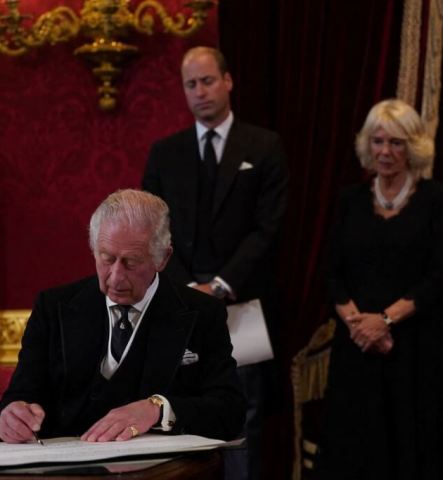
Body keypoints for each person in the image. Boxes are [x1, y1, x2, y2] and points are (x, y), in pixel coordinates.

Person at [0, 189, 245, 444]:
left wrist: (157, 410)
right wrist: (11, 417)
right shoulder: (53, 307)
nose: (115, 277)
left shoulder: (202, 312)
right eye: (106, 258)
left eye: (131, 262)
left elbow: (229, 413)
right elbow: (20, 397)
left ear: (163, 258)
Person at [142, 47, 289, 480]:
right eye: (191, 84)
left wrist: (220, 287)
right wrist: (190, 291)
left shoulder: (264, 146)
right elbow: (151, 231)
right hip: (179, 307)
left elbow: (269, 229)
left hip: (241, 308)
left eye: (208, 80)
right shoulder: (165, 153)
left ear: (228, 81)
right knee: (177, 419)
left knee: (243, 423)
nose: (200, 91)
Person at [314, 99, 443, 479]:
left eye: (396, 142)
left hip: (412, 348)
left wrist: (386, 321)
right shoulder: (350, 200)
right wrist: (361, 326)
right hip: (357, 344)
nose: (386, 152)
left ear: (413, 148)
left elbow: (439, 276)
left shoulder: (436, 200)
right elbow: (331, 273)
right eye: (378, 141)